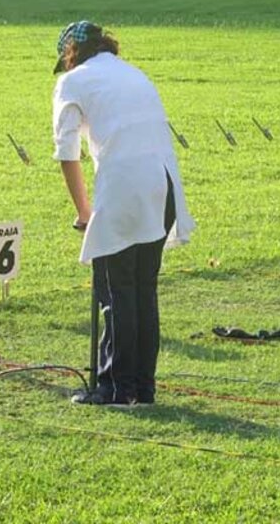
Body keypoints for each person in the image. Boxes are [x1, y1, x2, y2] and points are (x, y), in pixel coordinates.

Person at [51, 20, 194, 407]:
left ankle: (114, 388)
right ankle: (142, 388)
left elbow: (67, 153)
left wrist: (84, 213)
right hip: (162, 188)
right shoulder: (133, 73)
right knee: (143, 291)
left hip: (125, 188)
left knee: (115, 291)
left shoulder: (72, 81)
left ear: (70, 54)